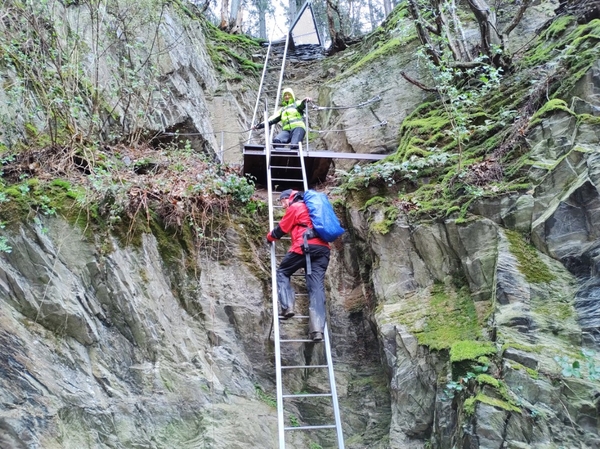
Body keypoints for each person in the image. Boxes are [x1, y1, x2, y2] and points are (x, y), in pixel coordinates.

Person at [266, 189, 330, 341]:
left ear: (289, 198)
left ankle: (287, 307)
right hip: (323, 250)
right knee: (316, 288)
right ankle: (317, 331)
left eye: (282, 202)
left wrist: (269, 237)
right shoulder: (312, 208)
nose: (283, 206)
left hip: (304, 246)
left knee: (282, 272)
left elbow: (281, 229)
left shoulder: (296, 207)